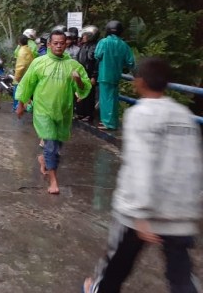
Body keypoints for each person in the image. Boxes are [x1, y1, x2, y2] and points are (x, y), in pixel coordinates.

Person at [83, 57, 203, 293]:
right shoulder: (184, 116)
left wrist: (141, 213)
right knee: (181, 277)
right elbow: (193, 163)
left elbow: (141, 164)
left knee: (116, 268)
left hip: (139, 214)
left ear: (139, 82)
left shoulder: (140, 115)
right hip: (179, 213)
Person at [15, 30, 91, 194]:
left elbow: (84, 88)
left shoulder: (73, 65)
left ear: (66, 44)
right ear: (49, 44)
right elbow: (27, 84)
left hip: (63, 112)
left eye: (61, 43)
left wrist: (77, 79)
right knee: (50, 145)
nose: (58, 46)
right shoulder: (39, 62)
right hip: (43, 111)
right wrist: (21, 104)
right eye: (55, 43)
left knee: (56, 147)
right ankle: (53, 181)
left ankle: (44, 160)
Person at [94, 20, 135, 130]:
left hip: (104, 74)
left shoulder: (103, 42)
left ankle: (108, 123)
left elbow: (97, 55)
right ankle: (113, 121)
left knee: (106, 99)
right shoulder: (124, 45)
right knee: (113, 98)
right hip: (116, 75)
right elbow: (130, 62)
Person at [75, 25, 100, 122]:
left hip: (89, 74)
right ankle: (81, 113)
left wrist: (94, 76)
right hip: (82, 73)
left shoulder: (94, 47)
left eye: (85, 35)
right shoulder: (84, 46)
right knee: (81, 93)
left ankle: (89, 115)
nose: (83, 36)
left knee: (89, 95)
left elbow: (95, 63)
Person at [13, 34, 35, 111]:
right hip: (31, 74)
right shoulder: (28, 49)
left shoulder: (21, 51)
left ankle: (22, 108)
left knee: (23, 94)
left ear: (19, 42)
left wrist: (17, 78)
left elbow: (20, 66)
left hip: (23, 76)